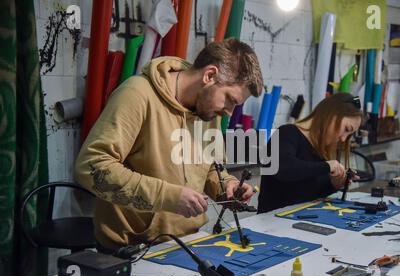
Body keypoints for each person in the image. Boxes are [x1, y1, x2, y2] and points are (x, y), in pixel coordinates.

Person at [74, 39, 264, 251]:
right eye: (230, 99)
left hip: (189, 243)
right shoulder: (137, 95)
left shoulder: (207, 111)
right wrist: (168, 196)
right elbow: (91, 166)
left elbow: (210, 168)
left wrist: (226, 187)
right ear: (209, 75)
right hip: (130, 249)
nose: (229, 111)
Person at [257, 93, 363, 214]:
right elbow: (283, 169)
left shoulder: (320, 149)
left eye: (349, 135)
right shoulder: (286, 133)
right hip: (271, 224)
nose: (344, 139)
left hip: (300, 222)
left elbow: (309, 193)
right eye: (346, 129)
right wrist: (327, 166)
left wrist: (334, 184)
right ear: (332, 115)